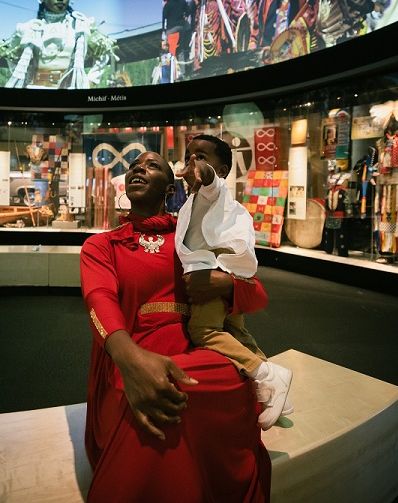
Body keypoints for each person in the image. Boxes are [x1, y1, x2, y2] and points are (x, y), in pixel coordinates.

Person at [81, 150, 273, 502]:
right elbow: (99, 301)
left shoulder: (193, 239)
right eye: (134, 165)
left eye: (151, 165)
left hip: (197, 358)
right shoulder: (101, 245)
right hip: (130, 361)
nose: (139, 167)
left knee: (228, 375)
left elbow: (257, 294)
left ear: (170, 187)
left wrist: (226, 285)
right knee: (150, 389)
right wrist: (132, 361)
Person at [175, 134, 293, 430]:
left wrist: (205, 173)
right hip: (225, 271)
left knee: (203, 329)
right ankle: (274, 391)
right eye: (189, 155)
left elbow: (211, 181)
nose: (193, 161)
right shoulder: (193, 200)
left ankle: (267, 375)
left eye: (201, 156)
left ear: (223, 170)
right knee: (237, 333)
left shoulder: (211, 191)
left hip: (210, 272)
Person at [0, 0, 118, 89]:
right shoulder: (28, 29)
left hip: (71, 95)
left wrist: (90, 82)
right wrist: (25, 82)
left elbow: (103, 54)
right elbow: (12, 57)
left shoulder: (81, 27)